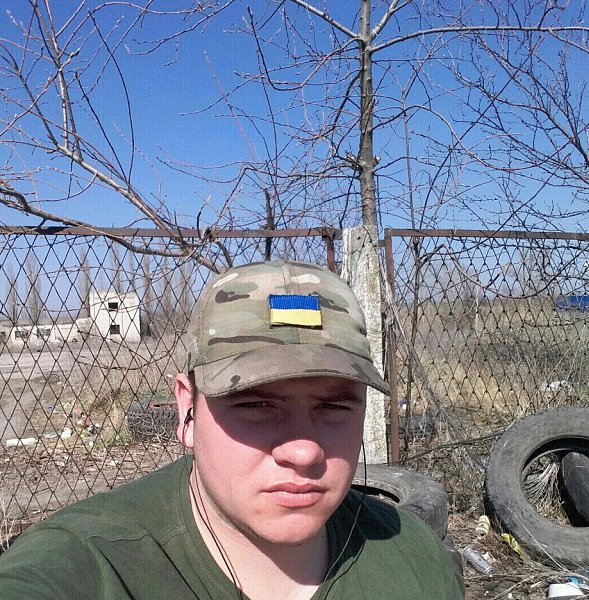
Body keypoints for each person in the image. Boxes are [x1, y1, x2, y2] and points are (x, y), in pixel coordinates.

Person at [0, 259, 463, 599]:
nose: (303, 452)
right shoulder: (87, 567)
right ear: (188, 409)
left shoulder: (410, 555)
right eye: (256, 404)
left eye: (334, 405)